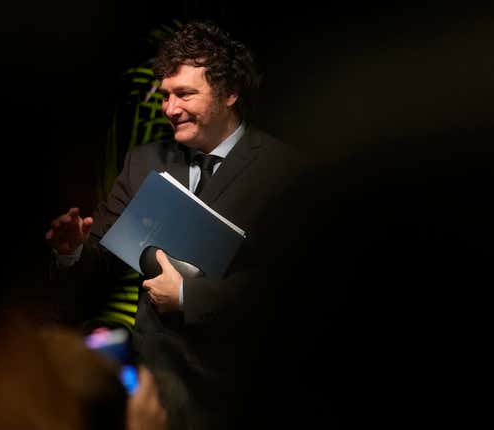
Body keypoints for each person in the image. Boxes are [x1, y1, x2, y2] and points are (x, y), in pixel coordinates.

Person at [47, 20, 308, 429]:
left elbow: (292, 290)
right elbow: (103, 262)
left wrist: (189, 296)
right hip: (156, 383)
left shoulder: (284, 171)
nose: (169, 108)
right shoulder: (144, 161)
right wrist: (72, 251)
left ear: (230, 93)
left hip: (239, 388)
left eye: (184, 93)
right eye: (166, 95)